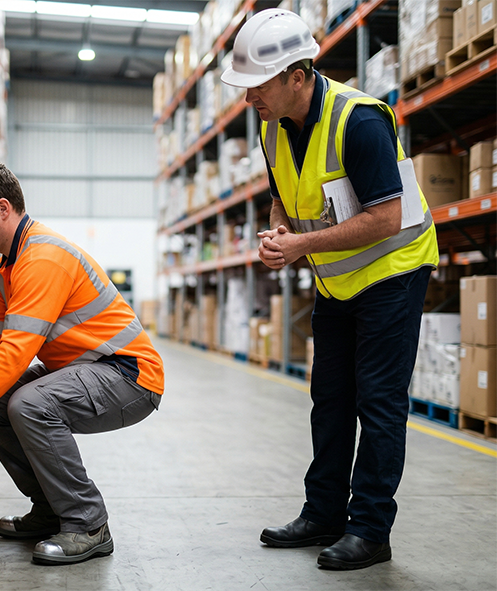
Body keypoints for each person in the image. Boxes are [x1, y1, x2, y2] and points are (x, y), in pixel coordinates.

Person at [221, 9, 438, 570]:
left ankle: (370, 529)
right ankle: (323, 513)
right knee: (330, 399)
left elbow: (388, 219)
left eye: (257, 86)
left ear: (298, 75)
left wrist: (301, 248)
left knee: (378, 401)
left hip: (393, 270)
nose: (249, 101)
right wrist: (278, 235)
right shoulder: (272, 129)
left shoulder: (359, 120)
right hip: (337, 277)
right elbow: (281, 197)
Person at [0, 160, 165, 566]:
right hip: (85, 370)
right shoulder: (7, 268)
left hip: (128, 376)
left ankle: (88, 524)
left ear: (3, 209)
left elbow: (14, 355)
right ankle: (50, 511)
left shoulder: (43, 258)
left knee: (31, 403)